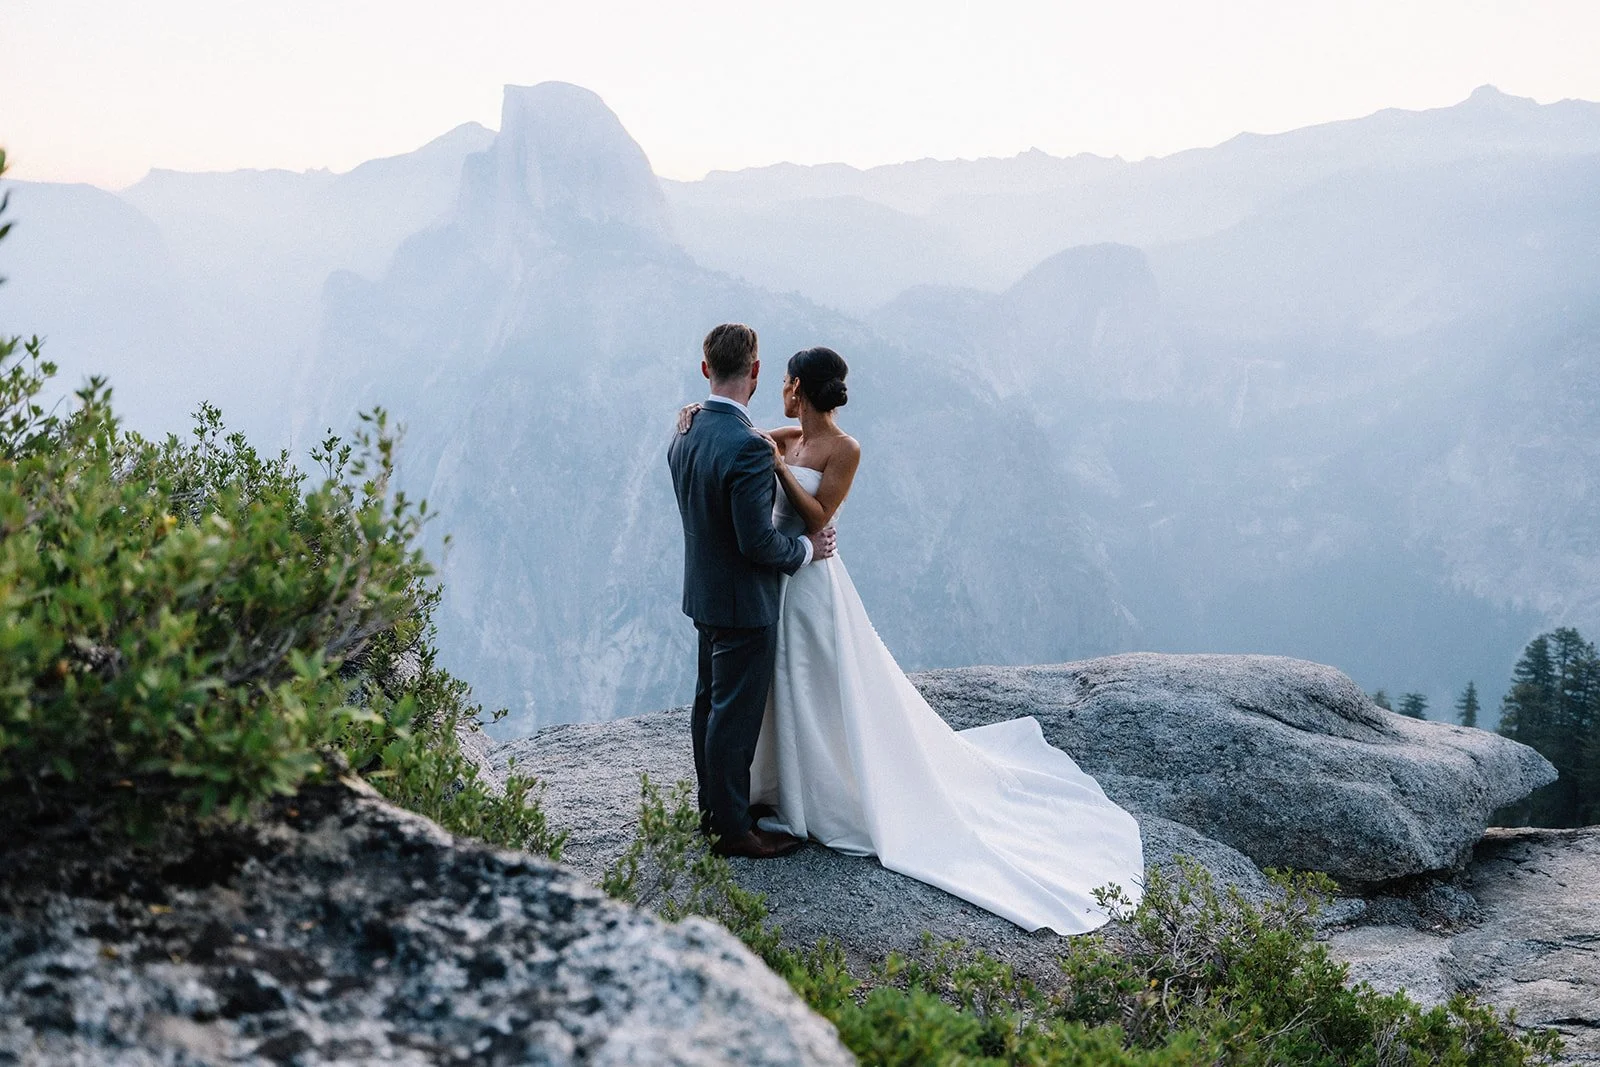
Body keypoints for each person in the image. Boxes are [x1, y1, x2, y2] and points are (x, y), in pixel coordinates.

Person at [678, 343, 1145, 934]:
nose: (779, 392)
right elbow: (738, 431)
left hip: (809, 577)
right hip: (774, 580)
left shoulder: (843, 449)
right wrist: (698, 409)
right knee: (767, 691)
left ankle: (816, 789)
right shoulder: (783, 436)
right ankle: (769, 786)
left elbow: (820, 515)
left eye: (787, 384)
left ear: (796, 385)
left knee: (817, 684)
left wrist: (775, 469)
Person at [666, 324, 837, 859]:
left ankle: (713, 812)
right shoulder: (747, 448)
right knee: (733, 719)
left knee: (707, 707)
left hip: (704, 594)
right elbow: (759, 542)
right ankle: (732, 830)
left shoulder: (685, 430)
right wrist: (809, 550)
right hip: (746, 602)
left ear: (705, 370)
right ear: (757, 372)